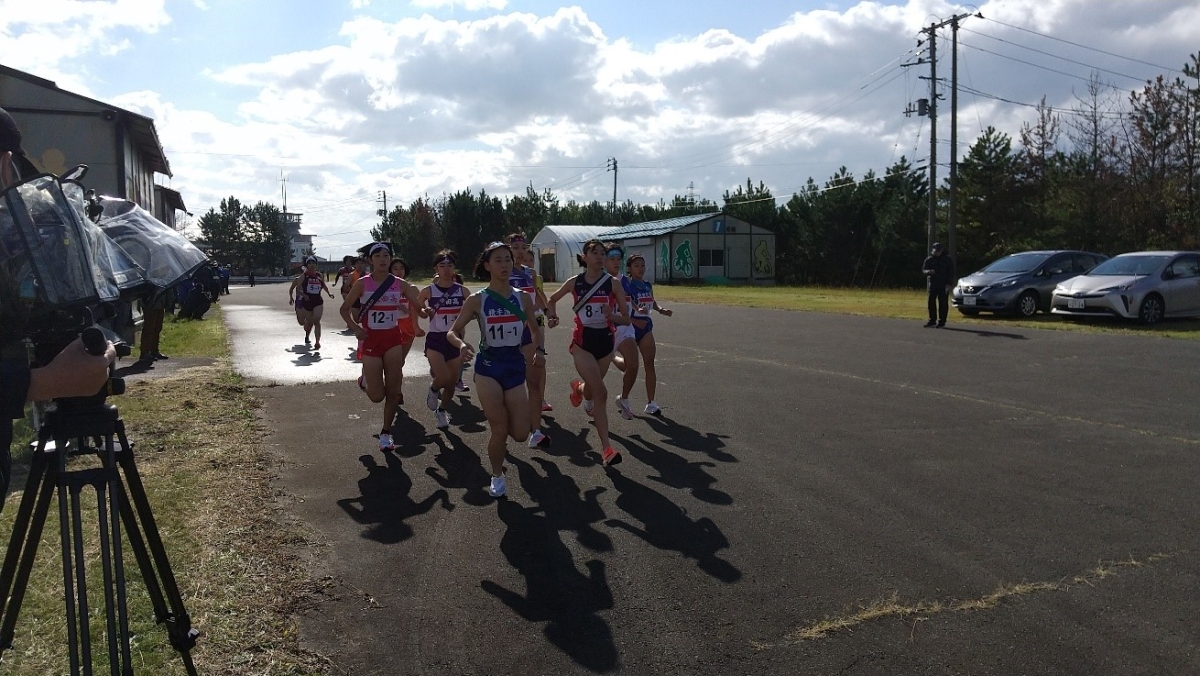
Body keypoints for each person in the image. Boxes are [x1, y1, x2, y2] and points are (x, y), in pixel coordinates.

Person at [446, 241, 543, 498]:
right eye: (498, 260)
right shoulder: (477, 300)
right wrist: (462, 344)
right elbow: (452, 331)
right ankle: (497, 475)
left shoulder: (522, 297)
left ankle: (503, 443)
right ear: (487, 265)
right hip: (488, 368)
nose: (504, 265)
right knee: (499, 428)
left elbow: (535, 329)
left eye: (508, 260)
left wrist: (540, 350)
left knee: (521, 433)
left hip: (514, 366)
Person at [546, 238, 630, 467]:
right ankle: (607, 449)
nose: (600, 256)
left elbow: (625, 317)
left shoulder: (613, 284)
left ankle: (579, 389)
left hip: (605, 343)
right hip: (583, 344)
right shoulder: (575, 282)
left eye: (603, 253)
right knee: (601, 393)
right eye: (595, 252)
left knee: (593, 389)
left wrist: (611, 316)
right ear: (584, 258)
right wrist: (551, 316)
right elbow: (551, 300)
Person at [340, 242, 426, 452]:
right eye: (377, 255)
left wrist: (426, 310)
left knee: (394, 391)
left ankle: (386, 433)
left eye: (386, 255)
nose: (382, 259)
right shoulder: (362, 283)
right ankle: (365, 381)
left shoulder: (399, 284)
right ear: (371, 260)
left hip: (392, 340)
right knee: (377, 396)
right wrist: (355, 329)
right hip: (370, 340)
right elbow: (344, 309)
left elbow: (419, 308)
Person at [506, 232, 552, 448]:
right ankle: (505, 423)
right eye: (515, 248)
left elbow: (539, 295)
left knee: (533, 380)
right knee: (509, 381)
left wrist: (548, 311)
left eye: (523, 247)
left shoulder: (531, 273)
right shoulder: (502, 274)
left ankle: (536, 431)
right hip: (506, 333)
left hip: (529, 331)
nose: (520, 252)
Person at [418, 250, 469, 430]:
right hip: (436, 339)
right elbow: (418, 307)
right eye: (442, 266)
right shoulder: (429, 290)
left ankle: (442, 411)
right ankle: (433, 389)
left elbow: (472, 312)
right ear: (436, 268)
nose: (446, 270)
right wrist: (424, 313)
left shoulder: (462, 291)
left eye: (450, 265)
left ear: (454, 268)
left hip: (454, 339)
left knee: (451, 383)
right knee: (443, 377)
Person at [622, 254, 672, 415]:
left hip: (645, 328)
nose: (640, 268)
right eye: (636, 265)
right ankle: (624, 398)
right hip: (628, 327)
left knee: (649, 363)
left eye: (642, 265)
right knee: (629, 366)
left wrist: (660, 309)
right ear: (629, 268)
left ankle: (651, 403)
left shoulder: (647, 285)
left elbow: (652, 301)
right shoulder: (625, 284)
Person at [604, 244, 640, 421]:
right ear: (603, 261)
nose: (616, 262)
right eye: (612, 259)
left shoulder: (625, 280)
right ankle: (585, 394)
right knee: (596, 375)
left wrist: (636, 308)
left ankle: (624, 399)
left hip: (625, 328)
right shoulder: (599, 281)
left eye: (619, 259)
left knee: (633, 365)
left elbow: (628, 300)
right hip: (605, 331)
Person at [292, 256, 335, 349]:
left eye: (313, 263)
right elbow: (298, 289)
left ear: (316, 264)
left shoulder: (319, 275)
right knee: (309, 322)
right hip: (307, 302)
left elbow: (323, 286)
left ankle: (317, 342)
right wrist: (304, 296)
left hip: (317, 301)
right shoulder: (304, 276)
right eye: (309, 263)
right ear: (307, 265)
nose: (312, 265)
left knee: (317, 321)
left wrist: (329, 293)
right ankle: (307, 334)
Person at [922, 242, 955, 328]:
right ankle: (932, 320)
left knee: (943, 303)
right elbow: (924, 270)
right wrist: (929, 272)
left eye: (938, 251)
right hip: (933, 284)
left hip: (944, 285)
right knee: (931, 302)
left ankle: (942, 321)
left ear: (941, 250)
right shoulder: (929, 260)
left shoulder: (947, 260)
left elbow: (951, 272)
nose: (936, 253)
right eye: (935, 251)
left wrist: (949, 283)